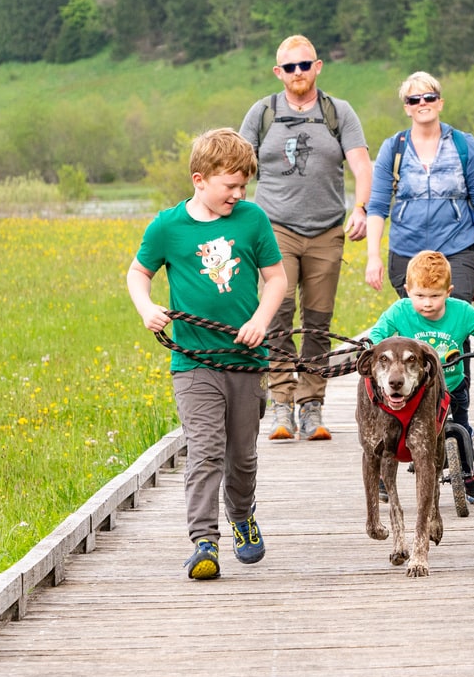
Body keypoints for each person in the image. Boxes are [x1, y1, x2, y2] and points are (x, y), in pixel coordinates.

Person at [127, 128, 288, 580]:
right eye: (229, 187)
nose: (237, 195)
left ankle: (242, 514)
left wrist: (259, 320)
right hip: (194, 363)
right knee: (205, 451)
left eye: (243, 187)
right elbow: (138, 274)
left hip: (246, 360)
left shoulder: (252, 220)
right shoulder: (167, 227)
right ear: (200, 180)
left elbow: (276, 279)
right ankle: (204, 542)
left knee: (242, 455)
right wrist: (147, 307)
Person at [238, 35, 373, 443]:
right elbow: (238, 166)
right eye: (290, 67)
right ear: (278, 72)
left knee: (317, 320)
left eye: (305, 65)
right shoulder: (262, 113)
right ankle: (281, 401)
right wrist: (233, 215)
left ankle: (311, 405)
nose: (298, 73)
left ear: (318, 67)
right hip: (273, 227)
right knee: (277, 314)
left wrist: (362, 207)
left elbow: (362, 165)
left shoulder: (339, 112)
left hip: (327, 229)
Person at [364, 71, 474, 439]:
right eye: (414, 100)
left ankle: (458, 416)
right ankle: (412, 416)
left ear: (439, 102)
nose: (422, 104)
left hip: (457, 248)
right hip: (405, 251)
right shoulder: (393, 149)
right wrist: (373, 255)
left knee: (452, 328)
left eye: (429, 97)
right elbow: (377, 205)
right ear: (406, 107)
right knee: (414, 331)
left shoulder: (464, 145)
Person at [366, 250, 474, 504]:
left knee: (462, 427)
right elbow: (379, 332)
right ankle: (385, 474)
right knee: (394, 425)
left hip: (451, 384)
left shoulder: (461, 312)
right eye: (419, 296)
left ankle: (468, 472)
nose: (427, 303)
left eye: (435, 296)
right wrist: (370, 345)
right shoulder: (401, 311)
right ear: (407, 290)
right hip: (415, 391)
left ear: (449, 292)